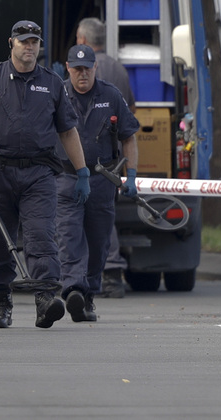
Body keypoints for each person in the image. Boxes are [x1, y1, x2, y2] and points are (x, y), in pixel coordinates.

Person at [0, 20, 89, 330]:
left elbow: (67, 131)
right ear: (11, 43)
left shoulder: (52, 83)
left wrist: (82, 172)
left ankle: (45, 301)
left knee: (41, 236)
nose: (29, 46)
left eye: (34, 41)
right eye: (24, 41)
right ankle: (2, 302)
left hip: (39, 173)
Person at [55, 44, 140, 322]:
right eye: (77, 69)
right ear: (68, 68)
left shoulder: (111, 95)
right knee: (69, 237)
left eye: (87, 69)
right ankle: (74, 289)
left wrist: (132, 176)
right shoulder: (58, 94)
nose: (83, 74)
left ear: (95, 68)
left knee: (99, 241)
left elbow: (128, 136)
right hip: (67, 178)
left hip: (102, 179)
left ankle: (88, 293)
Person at [76, 17, 135, 297]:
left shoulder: (82, 75)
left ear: (84, 41)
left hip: (92, 159)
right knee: (102, 215)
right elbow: (130, 112)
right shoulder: (120, 69)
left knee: (92, 217)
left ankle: (108, 271)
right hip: (115, 157)